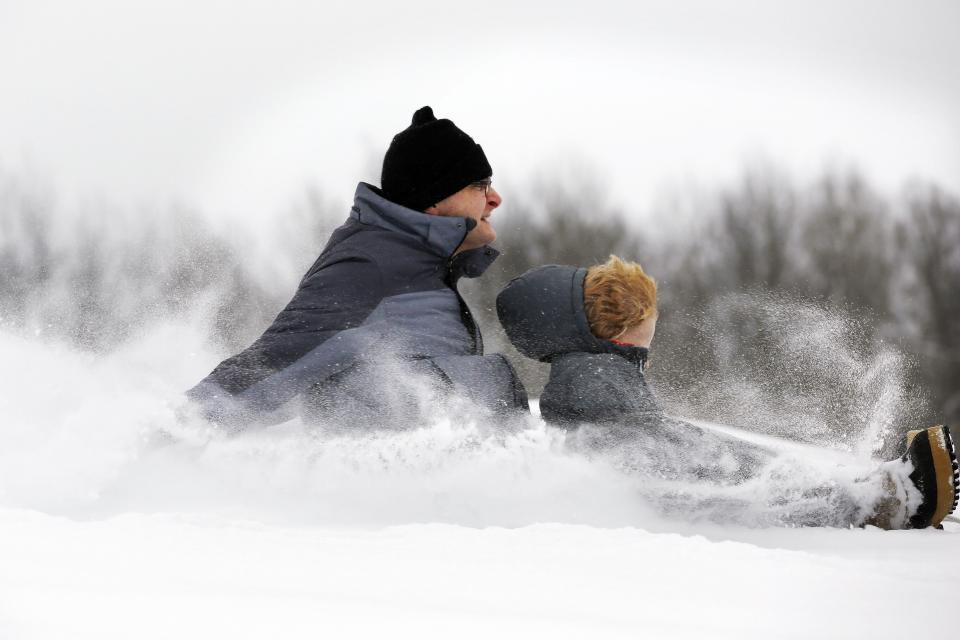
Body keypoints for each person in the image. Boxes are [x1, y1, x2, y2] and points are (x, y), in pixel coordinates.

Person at [496, 256, 959, 529]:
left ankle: (866, 492)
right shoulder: (593, 381)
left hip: (659, 467)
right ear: (613, 332)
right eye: (644, 326)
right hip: (673, 490)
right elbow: (662, 464)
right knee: (733, 470)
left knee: (727, 456)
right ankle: (882, 502)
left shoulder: (590, 376)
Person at [187, 106, 528, 429]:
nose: (495, 198)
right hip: (381, 484)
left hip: (443, 482)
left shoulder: (420, 267)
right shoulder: (372, 266)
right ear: (433, 199)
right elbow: (275, 363)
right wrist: (173, 434)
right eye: (479, 185)